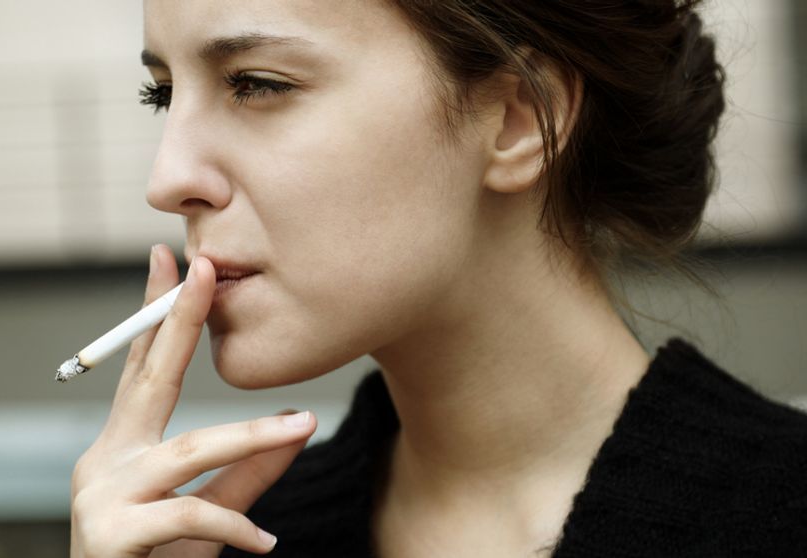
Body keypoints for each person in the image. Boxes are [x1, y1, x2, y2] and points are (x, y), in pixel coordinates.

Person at [69, 1, 807, 556]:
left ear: (522, 117)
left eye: (256, 84)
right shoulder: (226, 542)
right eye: (162, 93)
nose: (167, 181)